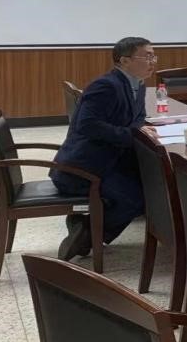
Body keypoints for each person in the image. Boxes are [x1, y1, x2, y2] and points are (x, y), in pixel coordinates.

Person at [52, 36, 157, 261]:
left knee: (149, 187)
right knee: (136, 198)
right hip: (81, 169)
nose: (152, 62)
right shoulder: (106, 86)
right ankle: (87, 233)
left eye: (153, 56)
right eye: (147, 57)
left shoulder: (138, 85)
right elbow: (87, 125)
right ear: (124, 61)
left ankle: (84, 229)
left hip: (107, 162)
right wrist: (132, 135)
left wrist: (142, 130)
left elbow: (138, 119)